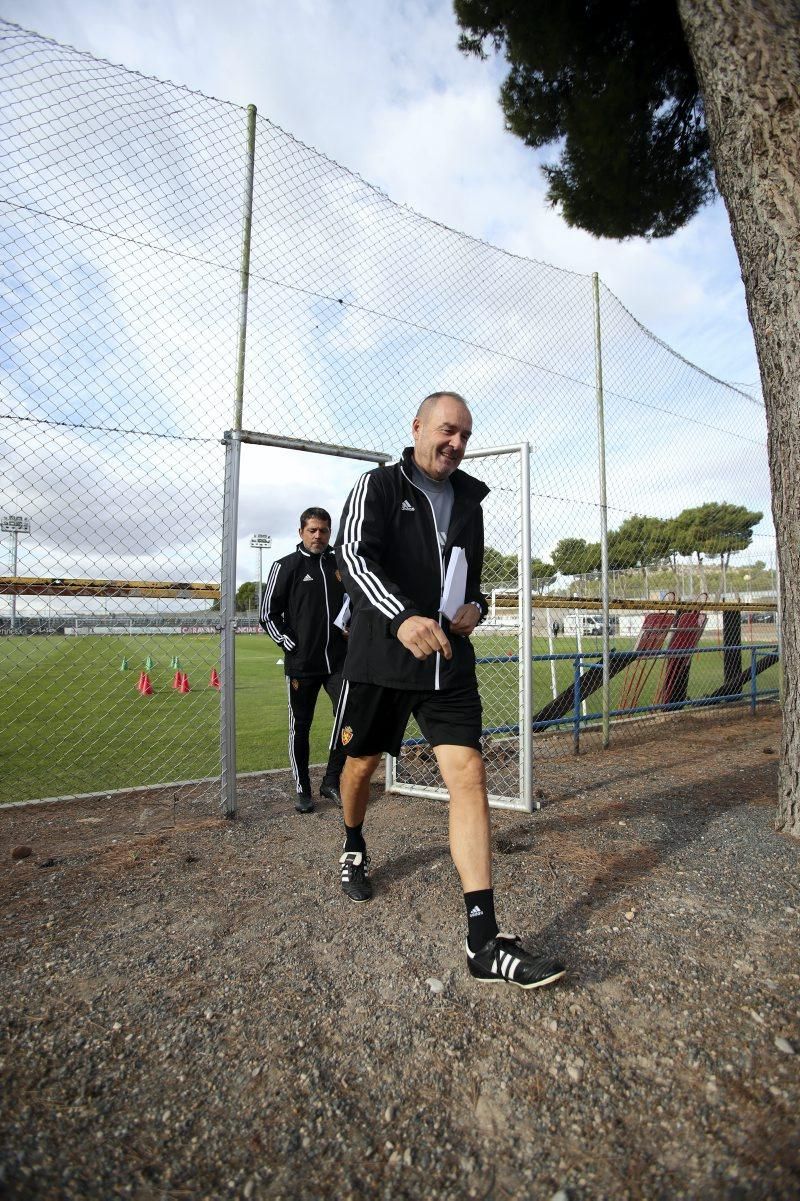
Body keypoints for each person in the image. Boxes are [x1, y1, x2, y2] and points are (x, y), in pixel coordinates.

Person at [332, 392, 566, 990]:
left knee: (469, 775)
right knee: (359, 768)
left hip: (447, 666)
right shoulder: (377, 487)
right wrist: (402, 616)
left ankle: (483, 940)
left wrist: (475, 609)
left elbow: (476, 577)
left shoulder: (469, 500)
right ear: (416, 428)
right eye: (446, 431)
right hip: (384, 658)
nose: (456, 444)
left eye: (463, 435)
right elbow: (354, 558)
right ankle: (354, 841)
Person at [260, 507, 348, 813]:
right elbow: (267, 615)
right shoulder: (286, 566)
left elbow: (354, 603)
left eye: (323, 530)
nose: (318, 536)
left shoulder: (341, 564)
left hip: (338, 662)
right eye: (312, 530)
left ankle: (332, 780)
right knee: (301, 726)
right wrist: (290, 644)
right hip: (302, 664)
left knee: (349, 719)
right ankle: (303, 789)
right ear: (301, 532)